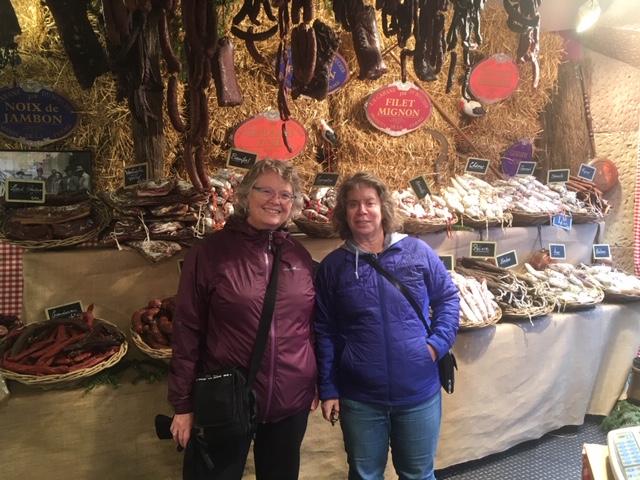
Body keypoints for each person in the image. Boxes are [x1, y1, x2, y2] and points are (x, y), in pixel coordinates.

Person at [169, 159, 318, 480]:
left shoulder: (300, 256)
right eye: (266, 191)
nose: (275, 201)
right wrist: (183, 404)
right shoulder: (209, 253)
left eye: (285, 195)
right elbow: (187, 329)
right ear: (246, 194)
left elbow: (309, 326)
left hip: (290, 399)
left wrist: (314, 381)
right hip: (228, 399)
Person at [314, 172, 460, 480]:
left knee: (418, 474)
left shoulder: (417, 252)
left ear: (383, 207)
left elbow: (447, 299)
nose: (362, 211)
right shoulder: (333, 267)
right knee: (365, 475)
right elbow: (324, 330)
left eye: (370, 202)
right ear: (343, 212)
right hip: (360, 398)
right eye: (353, 204)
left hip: (418, 392)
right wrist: (328, 388)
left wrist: (435, 347)